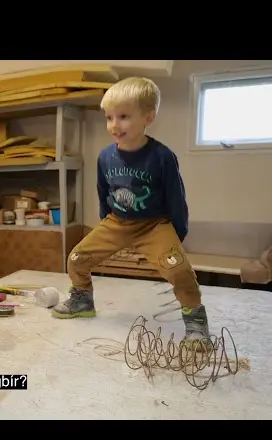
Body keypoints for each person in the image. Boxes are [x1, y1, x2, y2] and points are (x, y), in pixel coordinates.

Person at [52, 77, 210, 343]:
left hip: (155, 224)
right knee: (77, 258)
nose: (114, 125)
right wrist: (107, 226)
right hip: (117, 221)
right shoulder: (105, 156)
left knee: (179, 271)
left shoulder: (162, 156)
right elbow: (103, 191)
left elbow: (176, 197)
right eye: (109, 117)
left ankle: (195, 321)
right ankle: (82, 300)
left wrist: (177, 234)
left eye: (124, 116)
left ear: (149, 116)